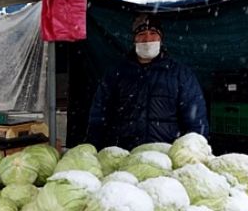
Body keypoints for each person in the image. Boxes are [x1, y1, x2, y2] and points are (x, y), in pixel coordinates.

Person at [86, 12, 208, 150]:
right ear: (134, 40)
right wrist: (93, 147)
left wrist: (196, 150)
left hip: (166, 156)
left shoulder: (180, 74)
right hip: (124, 155)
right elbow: (99, 116)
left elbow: (195, 120)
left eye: (153, 33)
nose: (147, 39)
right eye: (141, 34)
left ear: (161, 39)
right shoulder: (116, 74)